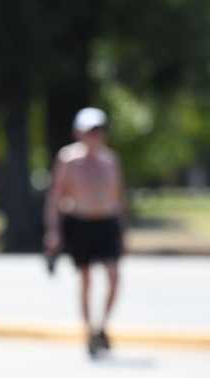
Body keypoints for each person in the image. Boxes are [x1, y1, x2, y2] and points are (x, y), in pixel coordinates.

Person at [43, 107, 126, 359]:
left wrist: (123, 229)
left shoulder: (110, 161)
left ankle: (102, 326)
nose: (95, 136)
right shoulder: (68, 160)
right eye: (90, 131)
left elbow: (119, 197)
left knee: (113, 277)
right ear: (79, 133)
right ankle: (89, 331)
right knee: (86, 279)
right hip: (80, 223)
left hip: (106, 222)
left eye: (99, 130)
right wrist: (53, 231)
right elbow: (55, 197)